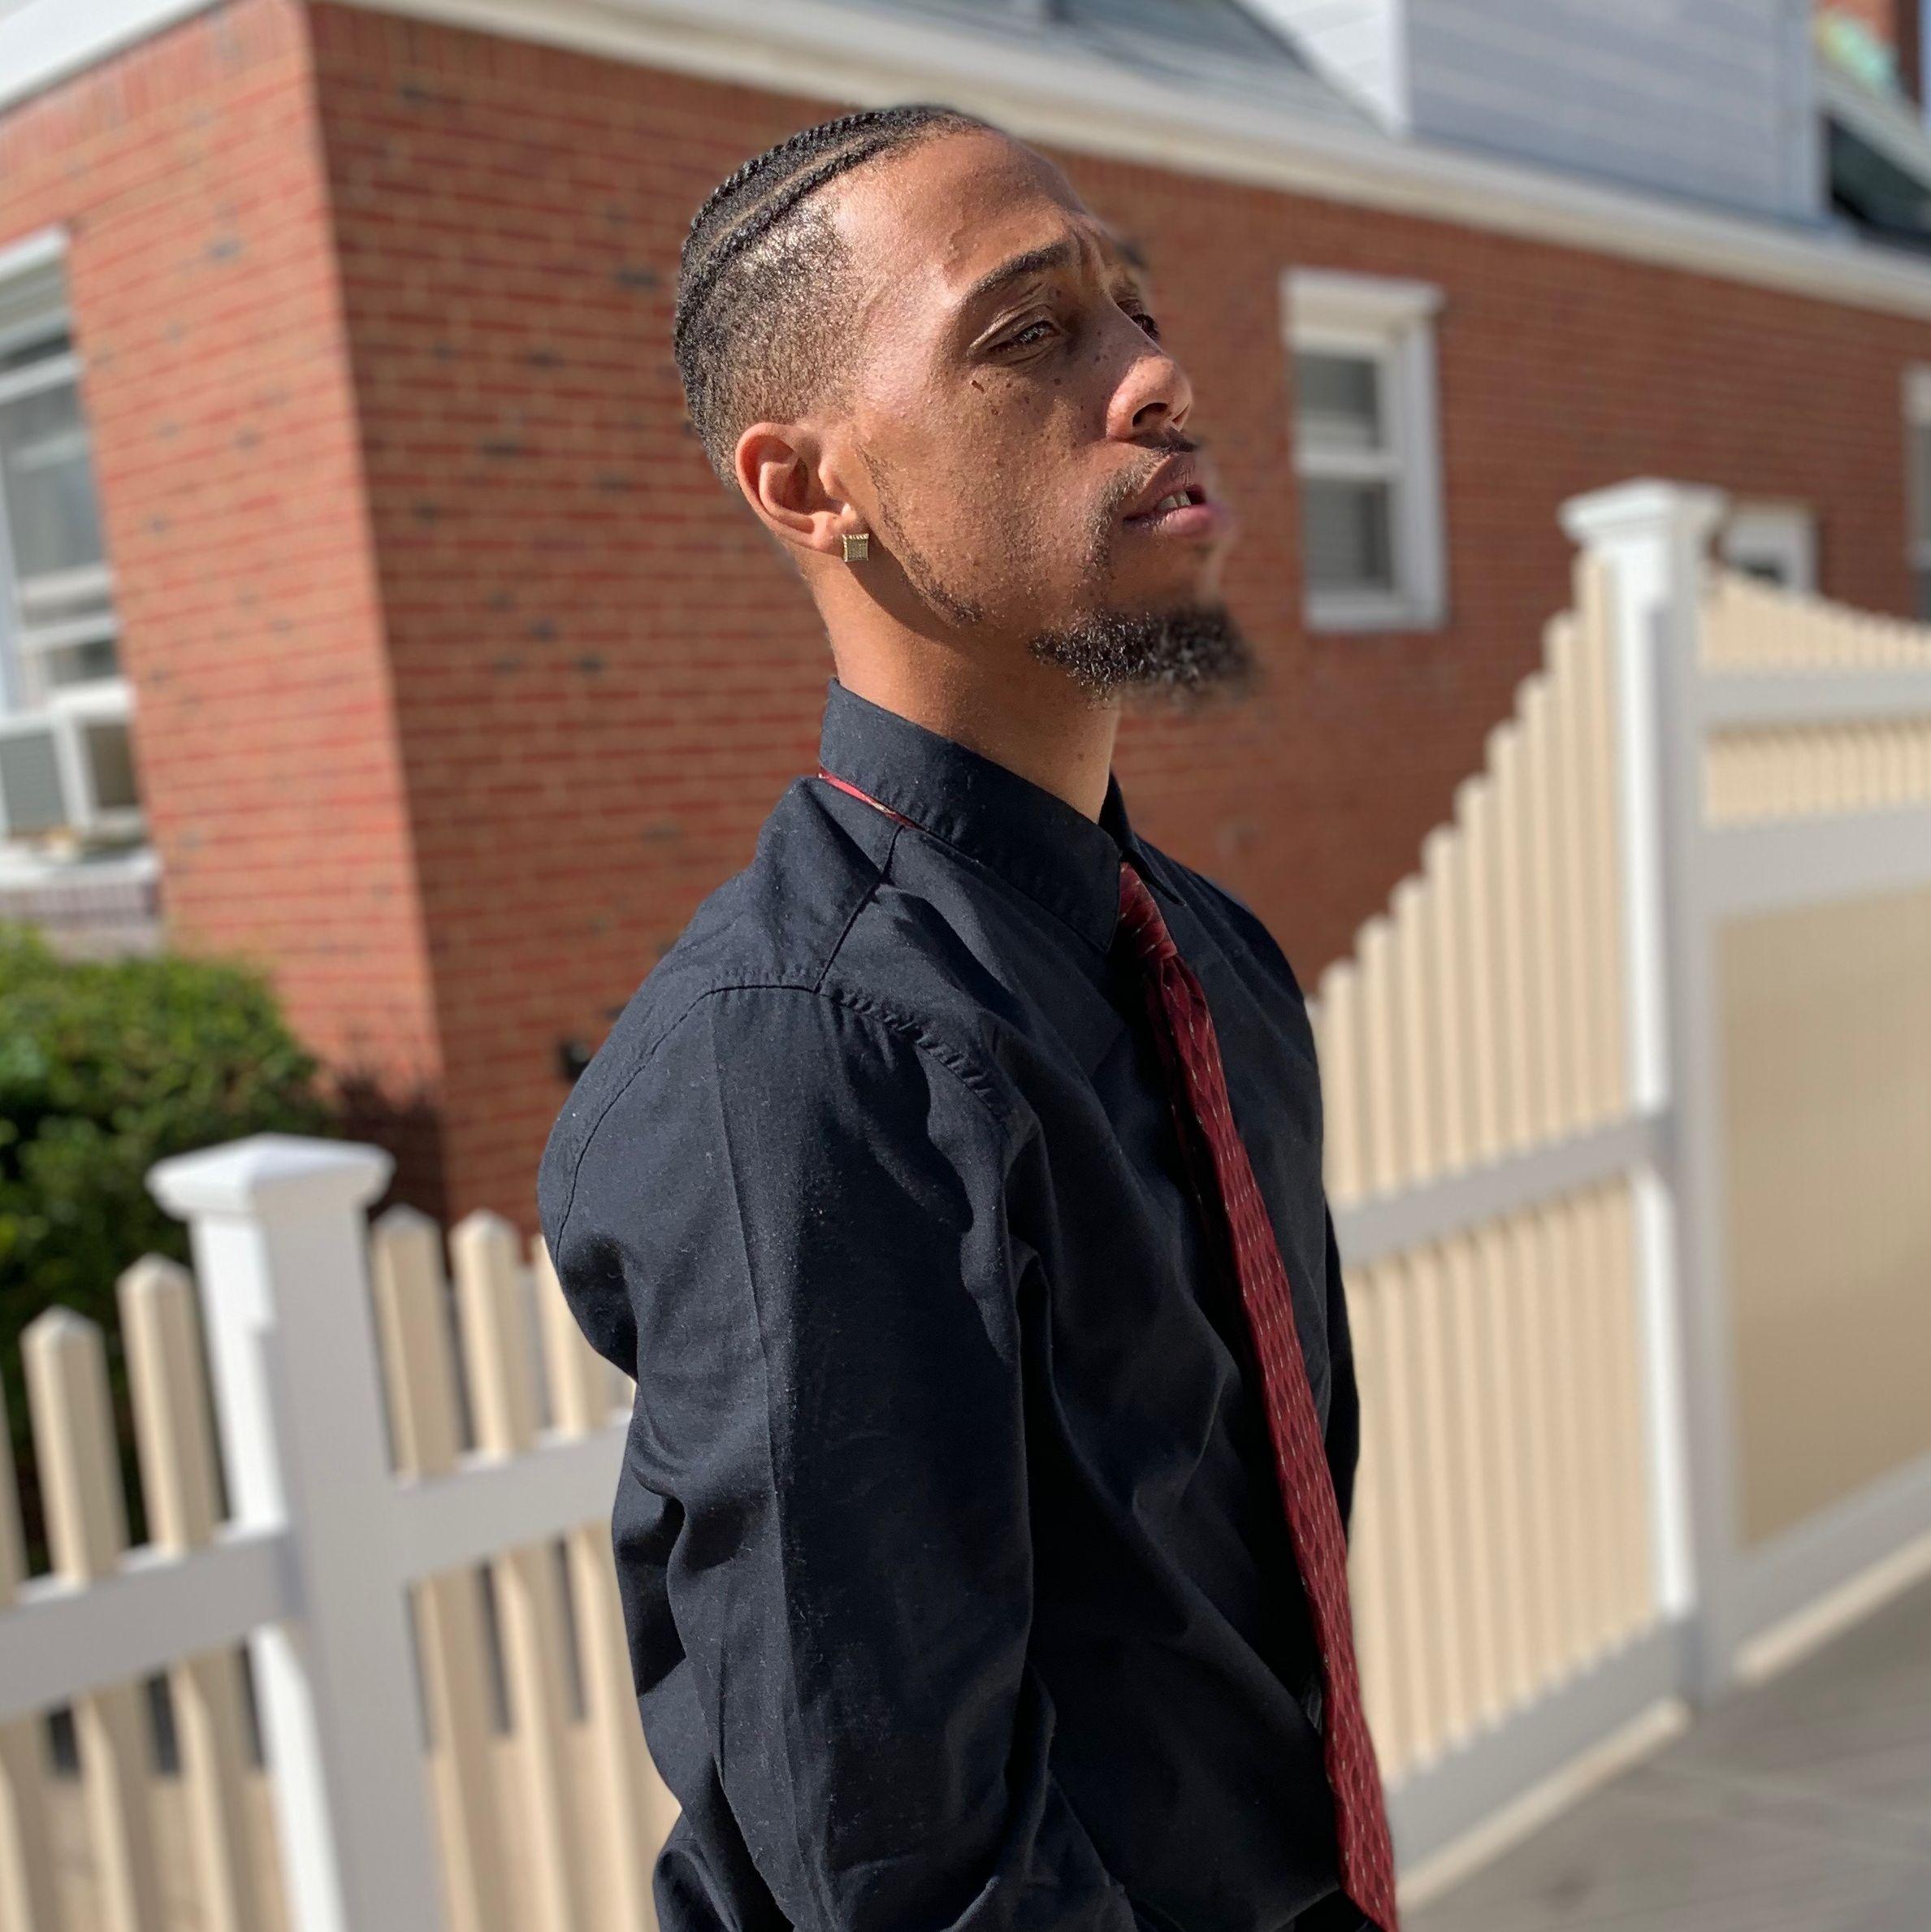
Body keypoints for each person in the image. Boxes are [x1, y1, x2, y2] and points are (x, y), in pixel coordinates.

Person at [538, 102, 1395, 1932]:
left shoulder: (1211, 958)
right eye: (1029, 332)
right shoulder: (799, 1060)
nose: (1157, 375)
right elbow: (904, 1871)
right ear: (805, 487)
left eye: (1133, 307)